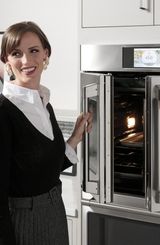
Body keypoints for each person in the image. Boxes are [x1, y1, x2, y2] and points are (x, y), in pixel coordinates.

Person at [0, 21, 92, 245]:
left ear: (45, 54)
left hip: (54, 212)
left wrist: (75, 138)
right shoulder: (3, 111)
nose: (26, 61)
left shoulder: (43, 102)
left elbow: (41, 169)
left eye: (33, 51)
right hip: (22, 220)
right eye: (16, 53)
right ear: (6, 62)